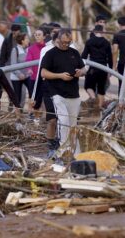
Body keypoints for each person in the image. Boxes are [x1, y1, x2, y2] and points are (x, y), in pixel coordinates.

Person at [41, 29, 86, 159]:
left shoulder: (74, 52)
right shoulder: (50, 54)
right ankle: (63, 148)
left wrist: (80, 72)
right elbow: (43, 73)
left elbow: (83, 68)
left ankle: (74, 150)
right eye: (64, 42)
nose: (66, 44)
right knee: (63, 120)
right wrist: (60, 76)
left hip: (73, 93)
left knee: (73, 123)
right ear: (58, 40)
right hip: (57, 93)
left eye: (68, 42)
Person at [31, 23, 62, 157]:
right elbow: (40, 74)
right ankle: (51, 142)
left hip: (65, 91)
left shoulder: (70, 49)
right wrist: (34, 96)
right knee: (51, 119)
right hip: (48, 89)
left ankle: (61, 141)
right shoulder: (46, 50)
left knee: (63, 119)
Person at [81, 25, 113, 109]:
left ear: (95, 31)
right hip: (103, 68)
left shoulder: (89, 41)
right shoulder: (106, 42)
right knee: (101, 89)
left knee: (88, 86)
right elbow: (110, 58)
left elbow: (84, 55)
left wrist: (80, 65)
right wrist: (110, 70)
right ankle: (98, 108)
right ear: (102, 31)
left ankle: (93, 98)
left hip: (92, 68)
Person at [10, 32, 32, 107]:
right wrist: (19, 74)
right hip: (16, 78)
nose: (28, 40)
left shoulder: (28, 49)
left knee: (32, 93)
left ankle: (31, 112)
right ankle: (18, 116)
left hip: (27, 76)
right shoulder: (15, 50)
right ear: (22, 41)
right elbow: (13, 65)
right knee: (17, 97)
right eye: (27, 39)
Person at [25, 28, 45, 108]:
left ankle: (45, 117)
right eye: (36, 35)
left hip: (45, 77)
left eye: (39, 35)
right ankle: (35, 118)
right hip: (34, 78)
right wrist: (29, 69)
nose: (37, 36)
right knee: (35, 101)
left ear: (44, 37)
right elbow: (28, 60)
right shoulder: (31, 48)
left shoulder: (47, 48)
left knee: (46, 98)